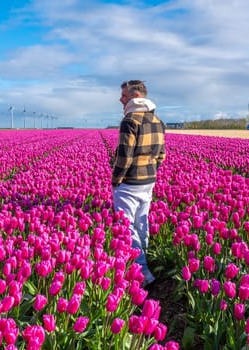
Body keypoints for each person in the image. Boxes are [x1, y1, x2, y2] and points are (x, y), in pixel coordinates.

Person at [111, 80, 166, 288]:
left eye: (124, 95)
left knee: (127, 227)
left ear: (134, 96)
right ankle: (145, 262)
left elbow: (124, 157)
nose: (121, 99)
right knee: (142, 223)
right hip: (148, 181)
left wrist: (116, 180)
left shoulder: (130, 120)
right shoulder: (157, 120)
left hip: (130, 182)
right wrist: (151, 172)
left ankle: (142, 273)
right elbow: (161, 155)